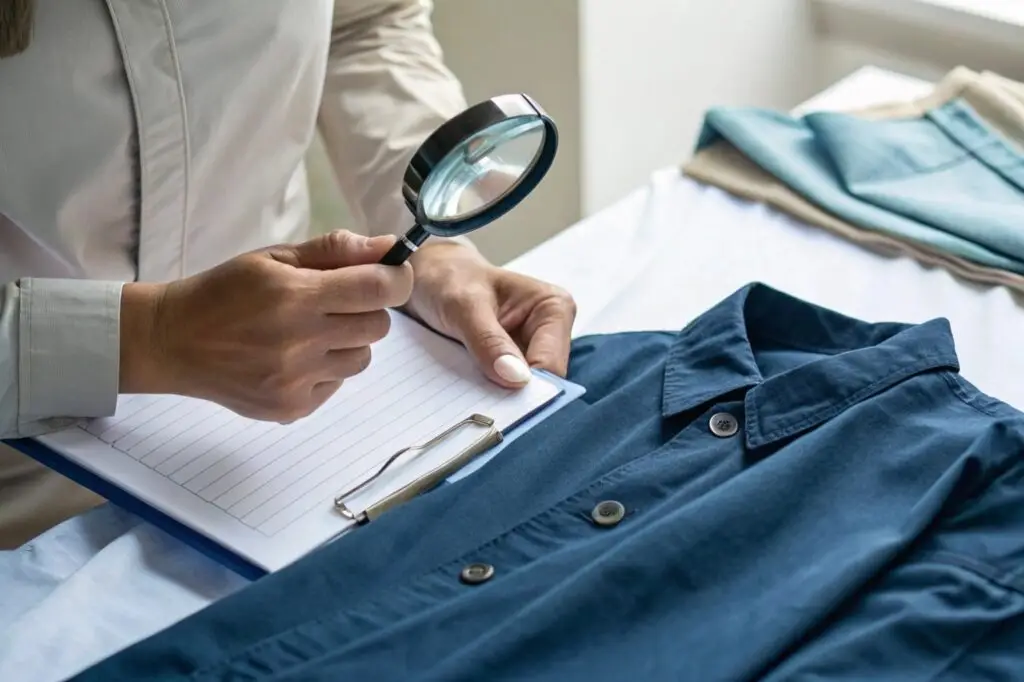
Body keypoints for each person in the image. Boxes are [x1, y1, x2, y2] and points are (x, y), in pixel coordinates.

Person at [0, 0, 575, 548]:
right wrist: (145, 338)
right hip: (19, 493)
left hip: (282, 455)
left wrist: (437, 250)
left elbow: (364, 24)